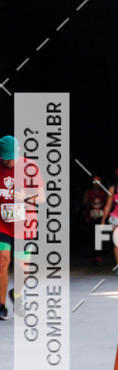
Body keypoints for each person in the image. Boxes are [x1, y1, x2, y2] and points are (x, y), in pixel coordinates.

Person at [0, 136, 44, 319]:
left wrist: (24, 198)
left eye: (12, 158)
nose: (9, 162)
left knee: (23, 266)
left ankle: (16, 295)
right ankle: (1, 304)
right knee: (3, 260)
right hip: (2, 222)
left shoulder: (29, 168)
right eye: (5, 158)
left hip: (25, 223)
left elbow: (41, 198)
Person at [82, 175, 107, 266]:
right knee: (91, 238)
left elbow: (106, 205)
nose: (96, 184)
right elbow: (84, 203)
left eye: (98, 182)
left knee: (99, 238)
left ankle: (99, 256)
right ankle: (93, 257)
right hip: (91, 218)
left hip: (100, 219)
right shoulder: (88, 192)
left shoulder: (103, 193)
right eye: (94, 182)